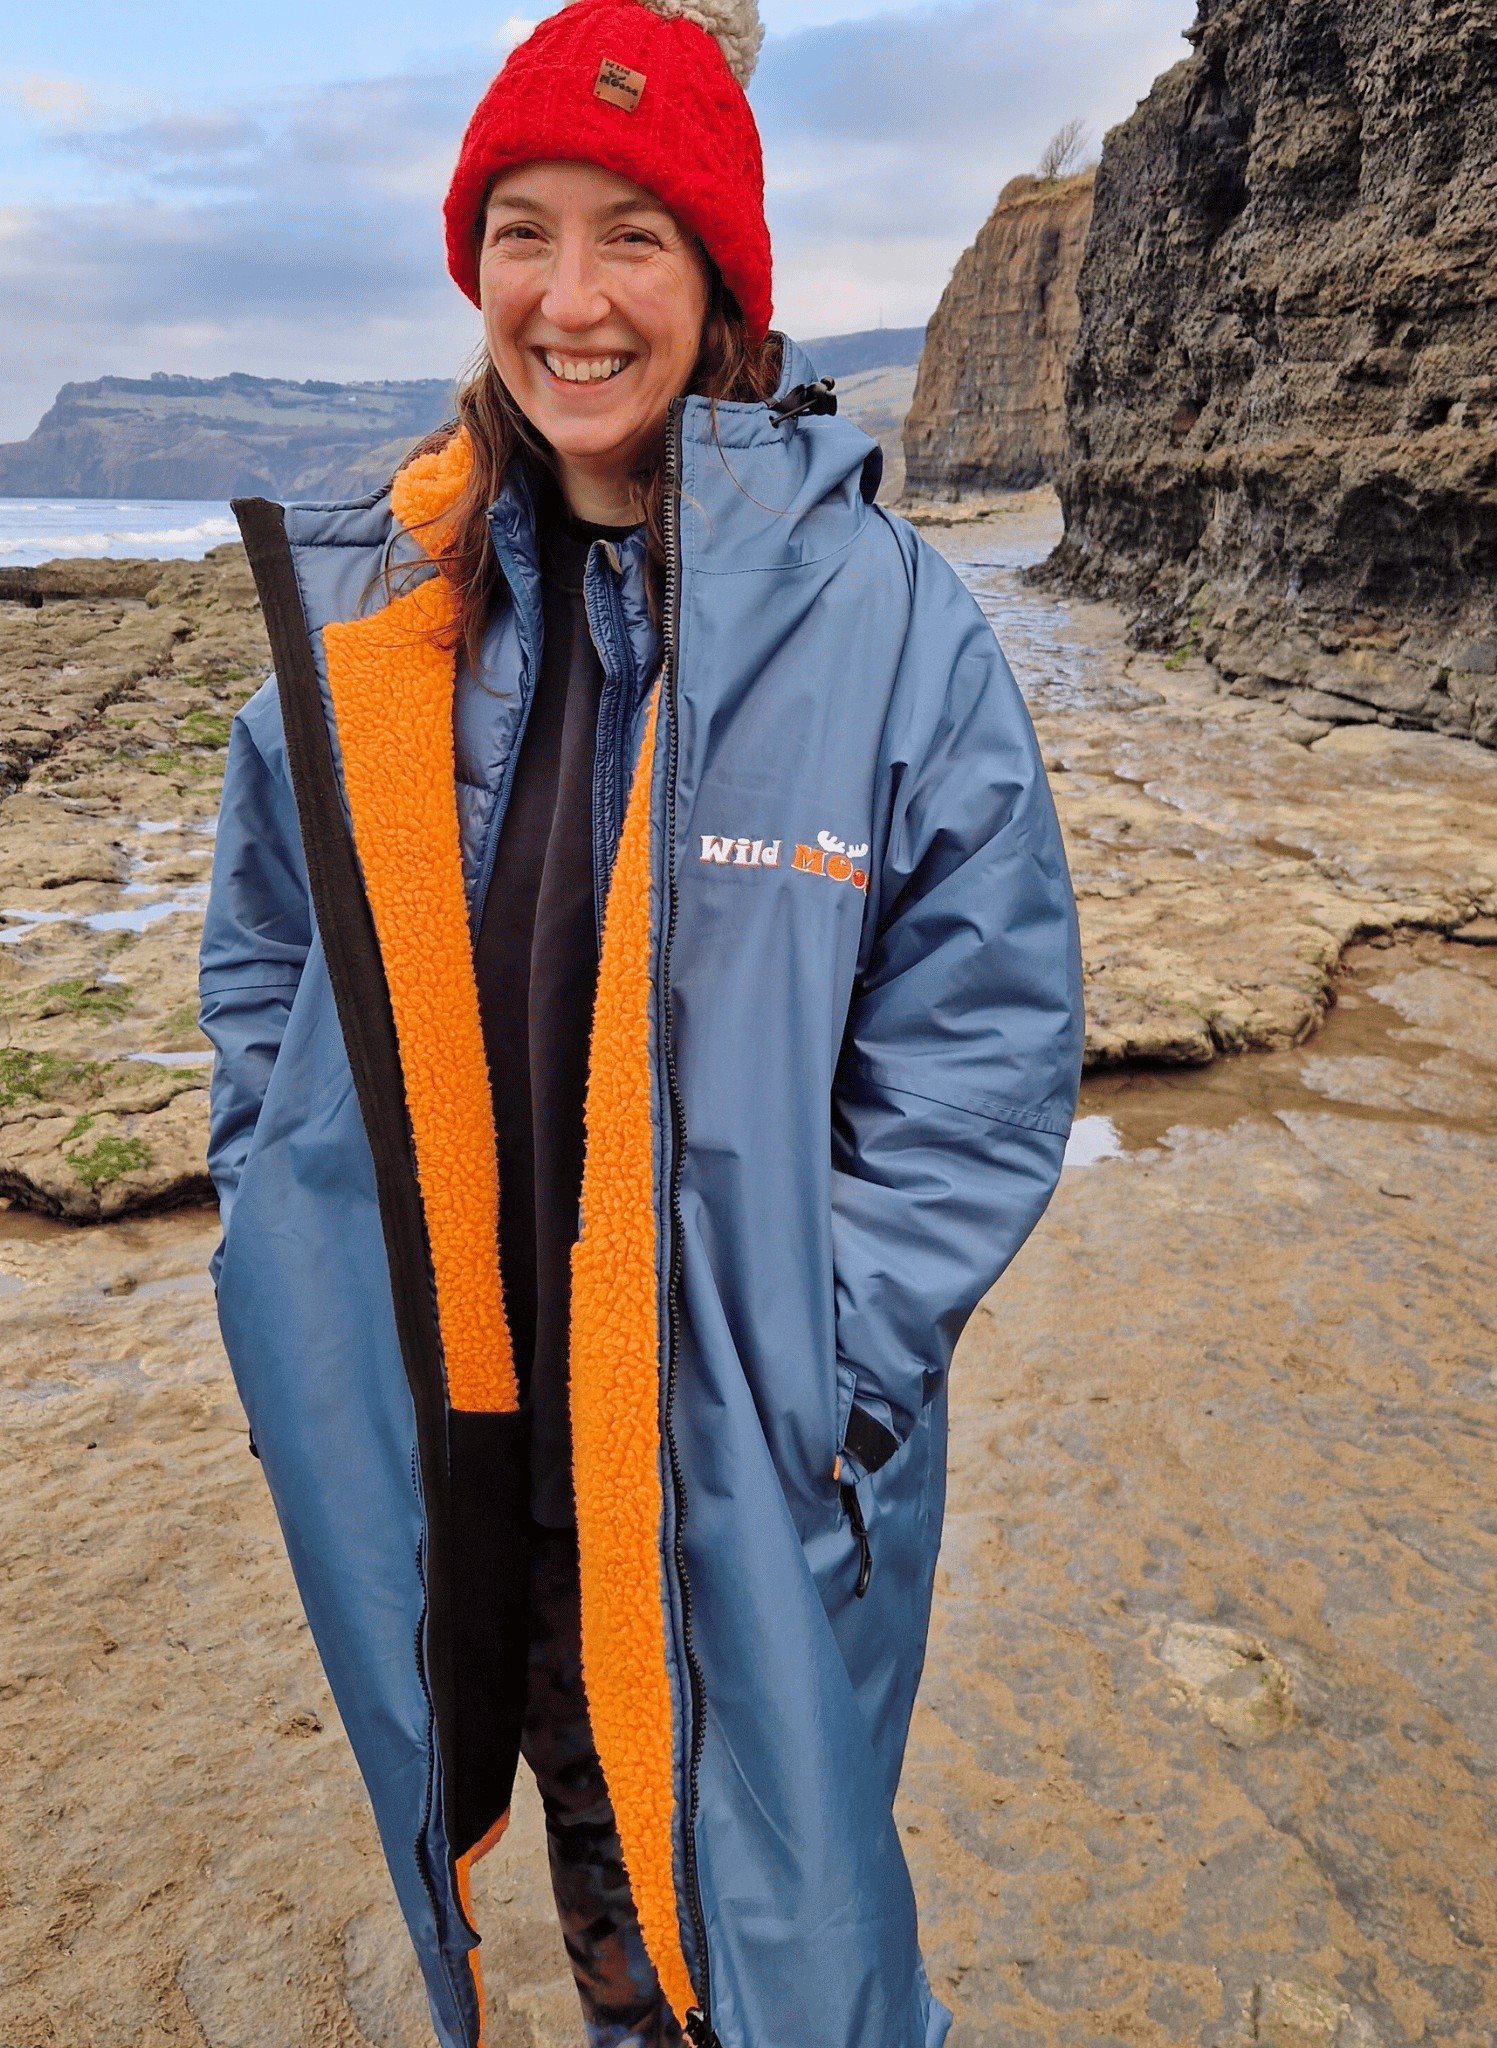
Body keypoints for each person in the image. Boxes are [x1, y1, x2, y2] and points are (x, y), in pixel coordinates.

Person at [200, 0, 1084, 2042]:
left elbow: (985, 1033)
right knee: (587, 1910)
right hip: (469, 1453)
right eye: (523, 228)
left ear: (725, 288)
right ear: (471, 260)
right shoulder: (379, 624)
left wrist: (823, 1386)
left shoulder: (885, 626)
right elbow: (262, 962)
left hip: (739, 1471)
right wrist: (293, 1250)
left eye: (635, 237)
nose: (571, 298)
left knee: (784, 1920)